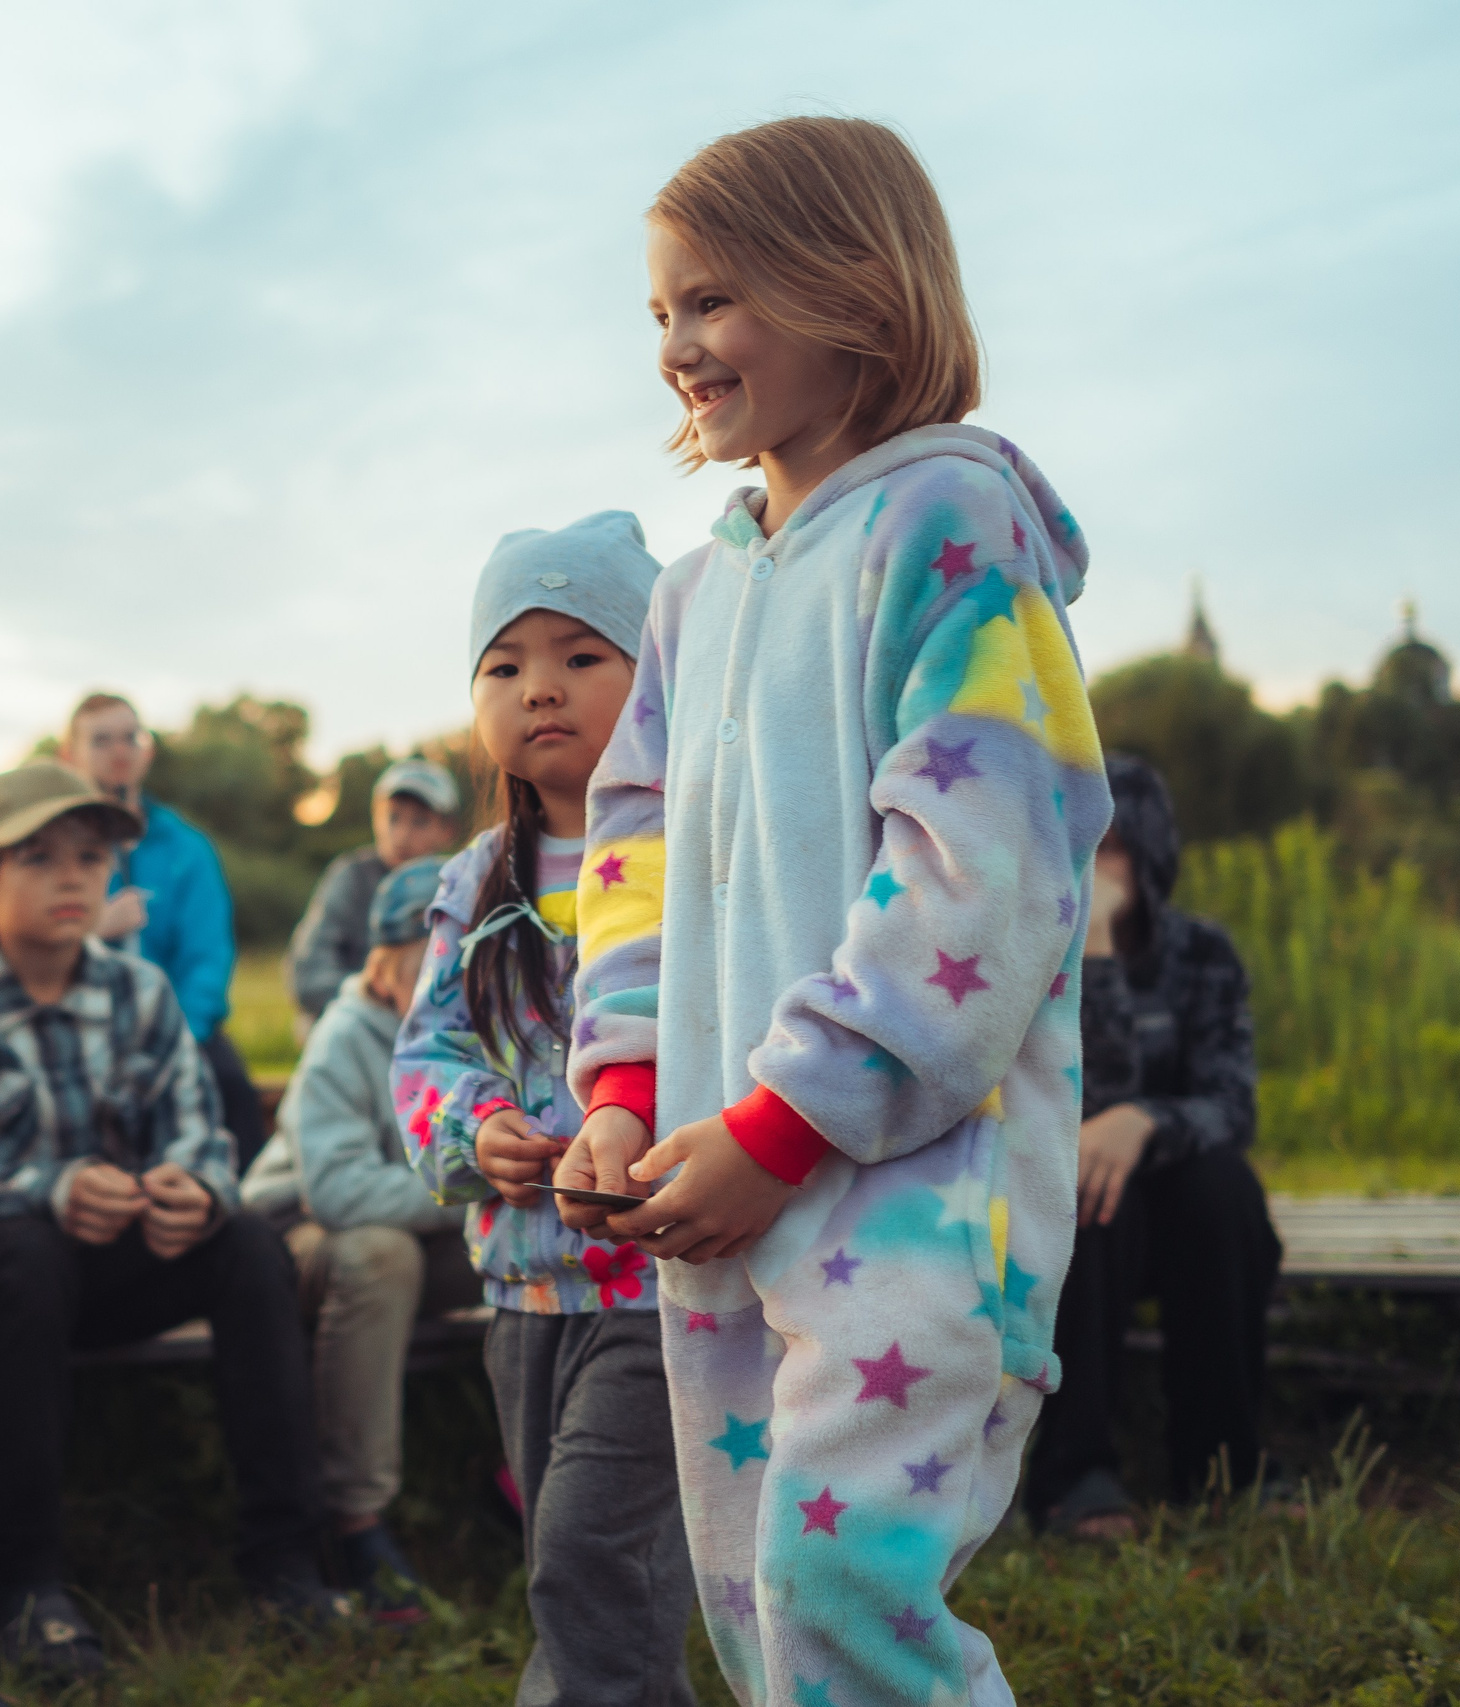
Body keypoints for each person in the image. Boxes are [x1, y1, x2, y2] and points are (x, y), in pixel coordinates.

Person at [557, 118, 1111, 1707]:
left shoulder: (952, 529)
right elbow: (631, 853)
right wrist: (620, 1090)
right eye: (660, 312)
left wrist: (788, 1120)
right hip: (711, 1177)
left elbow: (978, 870)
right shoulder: (690, 593)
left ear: (853, 288)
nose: (677, 345)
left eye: (713, 300)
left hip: (911, 1193)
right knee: (758, 1614)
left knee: (844, 1591)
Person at [0, 762, 346, 1680]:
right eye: (39, 856)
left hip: (100, 1267)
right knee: (28, 1251)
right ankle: (26, 1588)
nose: (71, 877)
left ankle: (287, 1562)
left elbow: (198, 1136)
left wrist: (195, 1192)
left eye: (91, 857)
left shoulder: (139, 992)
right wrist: (50, 1188)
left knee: (249, 1241)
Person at [396, 513, 697, 1707]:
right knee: (588, 1566)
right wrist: (478, 1133)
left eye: (582, 654)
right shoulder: (473, 878)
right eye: (505, 664)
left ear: (653, 668)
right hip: (520, 1281)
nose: (541, 689)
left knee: (582, 1555)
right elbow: (427, 1048)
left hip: (661, 1278)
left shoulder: (704, 846)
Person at [1027, 755, 1280, 1537]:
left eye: (1115, 846)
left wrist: (1143, 1123)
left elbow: (1231, 1104)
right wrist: (1094, 948)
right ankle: (1076, 1473)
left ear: (1151, 850)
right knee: (1091, 1179)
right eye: (1083, 842)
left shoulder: (1203, 953)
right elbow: (1077, 1099)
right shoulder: (1028, 953)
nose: (1097, 865)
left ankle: (1225, 1462)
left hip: (1186, 1211)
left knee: (1224, 1185)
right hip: (1090, 1218)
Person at [242, 854, 475, 1623]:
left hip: (414, 1225)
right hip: (294, 1238)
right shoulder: (348, 1034)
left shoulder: (481, 1037)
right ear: (384, 965)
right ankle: (354, 1520)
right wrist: (473, 1190)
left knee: (537, 1243)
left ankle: (528, 1476)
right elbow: (338, 1194)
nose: (457, 980)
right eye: (436, 961)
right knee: (381, 1254)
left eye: (470, 958)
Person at [59, 693, 267, 1161]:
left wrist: (178, 1039)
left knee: (231, 1084)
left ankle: (243, 1209)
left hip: (176, 1029)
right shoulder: (50, 852)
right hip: (74, 1029)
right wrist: (91, 929)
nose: (119, 751)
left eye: (130, 738)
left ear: (147, 751)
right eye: (101, 740)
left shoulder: (186, 848)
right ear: (68, 756)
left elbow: (208, 958)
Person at [285, 758, 462, 1025]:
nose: (402, 835)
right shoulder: (351, 876)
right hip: (356, 1019)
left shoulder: (461, 886)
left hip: (436, 1029)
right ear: (375, 818)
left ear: (447, 830)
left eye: (420, 821)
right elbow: (308, 973)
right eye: (393, 817)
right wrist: (376, 995)